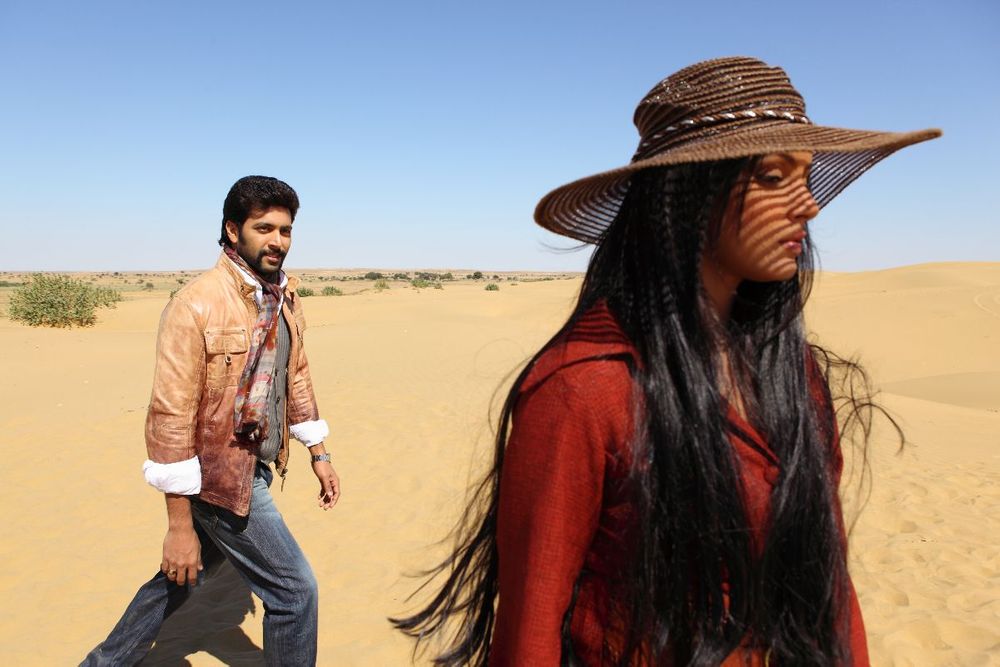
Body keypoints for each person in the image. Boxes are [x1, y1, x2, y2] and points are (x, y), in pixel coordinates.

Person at [392, 57, 940, 665]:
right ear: (687, 195)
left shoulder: (798, 376)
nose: (808, 206)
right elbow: (532, 624)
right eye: (771, 176)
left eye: (806, 177)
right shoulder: (587, 387)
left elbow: (830, 588)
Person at [82, 175, 341, 667]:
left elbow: (296, 375)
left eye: (285, 230)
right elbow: (171, 418)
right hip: (217, 477)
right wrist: (178, 525)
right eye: (264, 228)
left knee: (181, 578)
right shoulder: (195, 304)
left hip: (255, 465)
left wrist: (318, 451)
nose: (278, 241)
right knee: (294, 592)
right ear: (232, 230)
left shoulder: (282, 297)